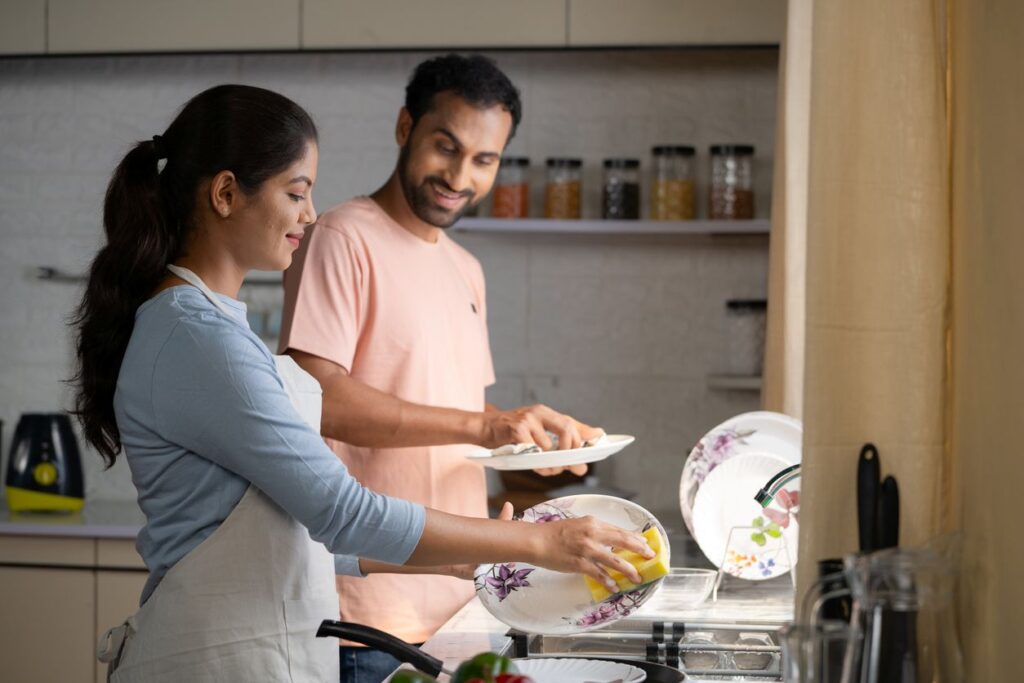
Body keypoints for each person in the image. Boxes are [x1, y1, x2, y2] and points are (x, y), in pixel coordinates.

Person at [71, 84, 652, 683]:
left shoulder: (210, 327)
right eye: (295, 192)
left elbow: (298, 531)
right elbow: (339, 511)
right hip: (215, 659)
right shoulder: (199, 336)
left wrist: (475, 549)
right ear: (224, 194)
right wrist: (534, 543)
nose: (309, 214)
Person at [278, 54, 603, 680]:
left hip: (460, 601)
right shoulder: (342, 238)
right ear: (405, 127)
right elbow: (322, 398)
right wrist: (485, 427)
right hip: (366, 617)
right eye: (445, 147)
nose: (460, 175)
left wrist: (521, 430)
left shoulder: (465, 268)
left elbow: (447, 408)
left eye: (485, 159)